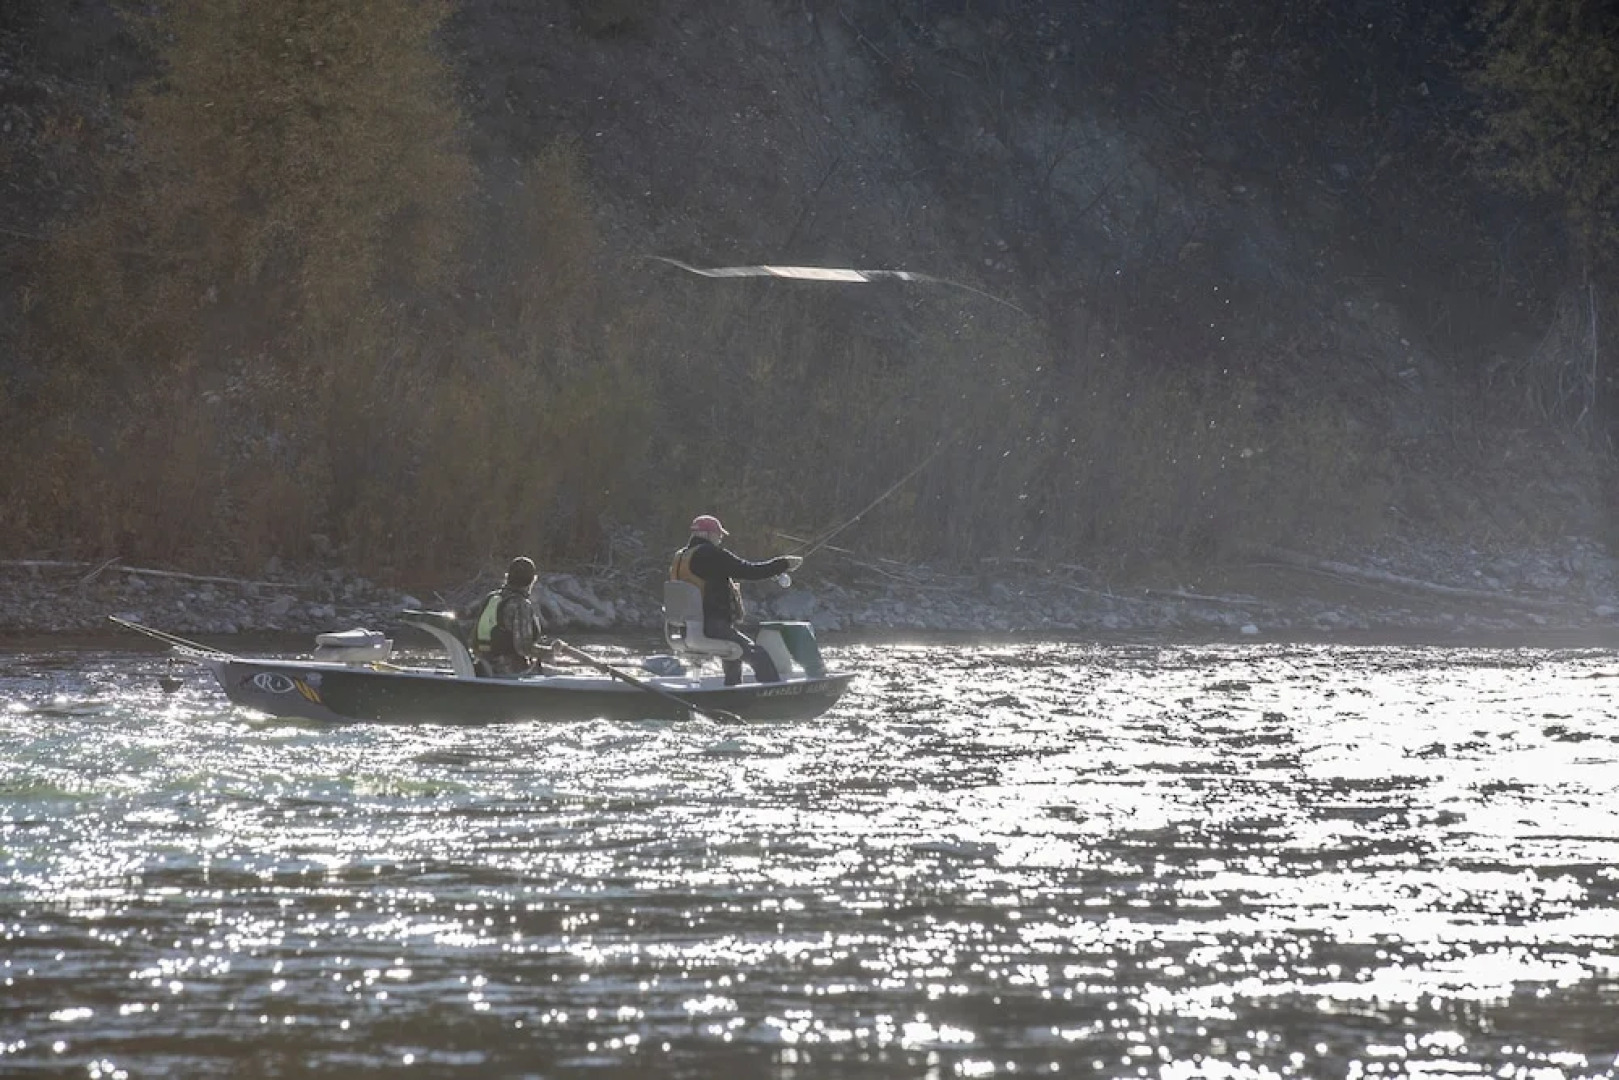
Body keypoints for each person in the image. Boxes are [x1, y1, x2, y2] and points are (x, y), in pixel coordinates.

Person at [670, 514, 802, 686]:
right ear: (707, 534)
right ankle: (772, 696)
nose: (721, 538)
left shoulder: (681, 556)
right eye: (719, 534)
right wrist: (783, 564)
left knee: (734, 655)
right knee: (757, 654)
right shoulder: (710, 554)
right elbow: (750, 571)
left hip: (685, 629)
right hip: (711, 626)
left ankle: (732, 691)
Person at [464, 556, 551, 677]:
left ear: (507, 577)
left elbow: (473, 640)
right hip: (509, 671)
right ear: (533, 580)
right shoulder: (520, 605)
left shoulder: (492, 598)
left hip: (481, 666)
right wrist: (549, 653)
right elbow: (524, 649)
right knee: (562, 672)